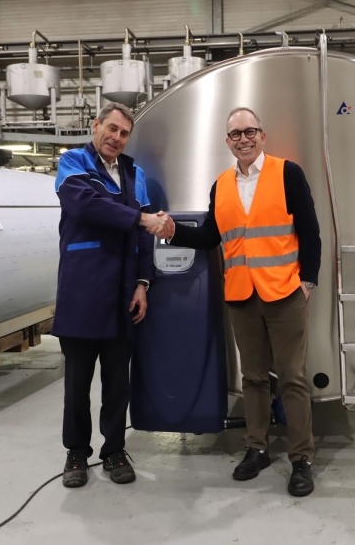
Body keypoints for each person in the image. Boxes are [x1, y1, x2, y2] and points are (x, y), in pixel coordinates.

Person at [166, 107, 321, 497]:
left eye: (249, 131)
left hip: (285, 293)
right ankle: (257, 449)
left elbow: (310, 231)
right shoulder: (221, 185)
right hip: (241, 295)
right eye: (235, 134)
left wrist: (307, 282)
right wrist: (172, 230)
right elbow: (209, 236)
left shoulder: (288, 173)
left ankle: (301, 459)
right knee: (253, 378)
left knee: (292, 378)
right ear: (228, 142)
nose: (243, 139)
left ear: (262, 136)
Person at [53, 102, 172, 488]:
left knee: (118, 382)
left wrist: (143, 283)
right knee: (77, 383)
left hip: (124, 293)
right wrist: (140, 217)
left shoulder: (135, 173)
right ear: (96, 126)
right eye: (112, 129)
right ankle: (76, 452)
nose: (117, 138)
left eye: (124, 133)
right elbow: (86, 206)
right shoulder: (73, 162)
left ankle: (114, 450)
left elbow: (144, 238)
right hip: (82, 291)